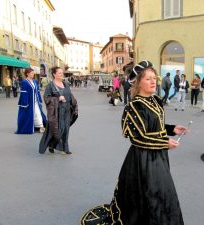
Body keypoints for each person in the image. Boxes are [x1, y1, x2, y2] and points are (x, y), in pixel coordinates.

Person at [80, 60, 187, 225]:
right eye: (148, 79)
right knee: (150, 194)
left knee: (161, 193)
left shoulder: (155, 100)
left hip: (158, 156)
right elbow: (137, 137)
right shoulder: (134, 106)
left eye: (154, 78)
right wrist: (164, 143)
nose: (153, 81)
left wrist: (173, 129)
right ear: (138, 82)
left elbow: (156, 127)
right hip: (142, 160)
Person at [39, 67, 78, 155]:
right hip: (57, 112)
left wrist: (75, 105)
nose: (62, 74)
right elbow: (46, 98)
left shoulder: (66, 84)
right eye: (60, 73)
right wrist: (57, 99)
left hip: (67, 110)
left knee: (66, 130)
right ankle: (52, 144)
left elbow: (70, 96)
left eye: (62, 73)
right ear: (54, 74)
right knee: (60, 129)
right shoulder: (50, 85)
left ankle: (65, 148)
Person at [16, 68, 46, 134]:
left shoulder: (35, 81)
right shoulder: (24, 82)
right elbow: (23, 93)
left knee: (38, 113)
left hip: (36, 101)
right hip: (29, 102)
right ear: (27, 74)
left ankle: (40, 126)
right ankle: (40, 127)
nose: (33, 74)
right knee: (34, 114)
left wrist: (40, 100)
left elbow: (37, 91)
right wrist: (25, 103)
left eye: (33, 73)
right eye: (32, 73)